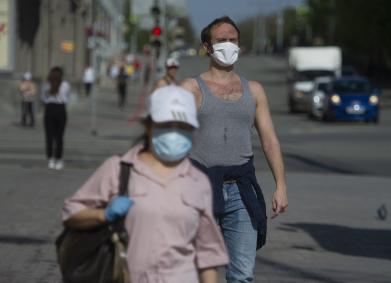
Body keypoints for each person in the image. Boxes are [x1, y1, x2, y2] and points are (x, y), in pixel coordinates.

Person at [61, 85, 229, 283]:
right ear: (149, 126)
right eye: (167, 124)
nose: (175, 132)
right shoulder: (119, 169)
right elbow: (71, 214)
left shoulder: (198, 182)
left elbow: (207, 256)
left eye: (183, 126)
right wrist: (103, 214)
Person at [181, 16, 289, 282]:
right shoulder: (191, 89)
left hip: (242, 190)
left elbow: (269, 140)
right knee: (201, 273)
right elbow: (172, 141)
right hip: (201, 189)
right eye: (221, 41)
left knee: (242, 274)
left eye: (233, 40)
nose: (228, 46)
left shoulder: (254, 90)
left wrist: (281, 185)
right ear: (207, 47)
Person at [41, 66, 70, 170]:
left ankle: (50, 159)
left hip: (49, 109)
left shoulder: (46, 84)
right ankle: (59, 159)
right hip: (60, 110)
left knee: (49, 136)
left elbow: (43, 99)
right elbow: (66, 98)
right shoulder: (65, 84)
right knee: (59, 137)